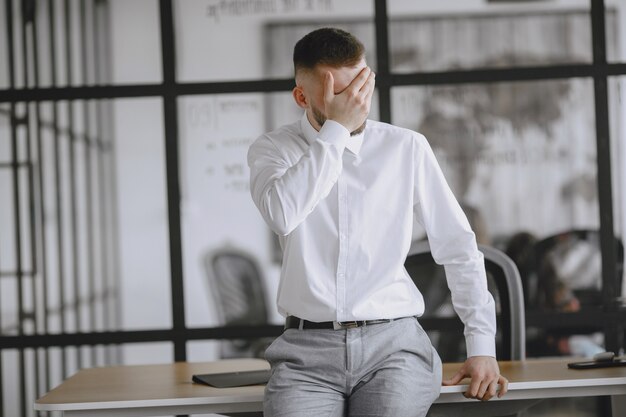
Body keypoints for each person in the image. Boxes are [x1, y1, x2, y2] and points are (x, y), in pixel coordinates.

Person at [247, 27, 508, 417]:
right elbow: (283, 213)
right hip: (306, 352)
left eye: (361, 86)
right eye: (339, 92)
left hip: (394, 347)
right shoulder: (273, 149)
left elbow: (458, 247)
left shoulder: (406, 147)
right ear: (302, 97)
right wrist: (336, 131)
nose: (355, 101)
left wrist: (482, 346)